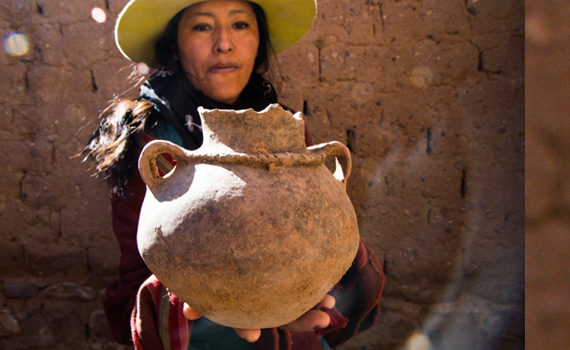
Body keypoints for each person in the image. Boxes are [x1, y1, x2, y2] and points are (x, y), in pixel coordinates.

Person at [79, 0, 385, 349]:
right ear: (175, 48)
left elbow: (324, 241)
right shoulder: (149, 138)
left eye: (241, 25)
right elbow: (140, 275)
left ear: (258, 42)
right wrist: (215, 301)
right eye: (202, 26)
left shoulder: (284, 127)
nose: (224, 43)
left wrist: (302, 290)